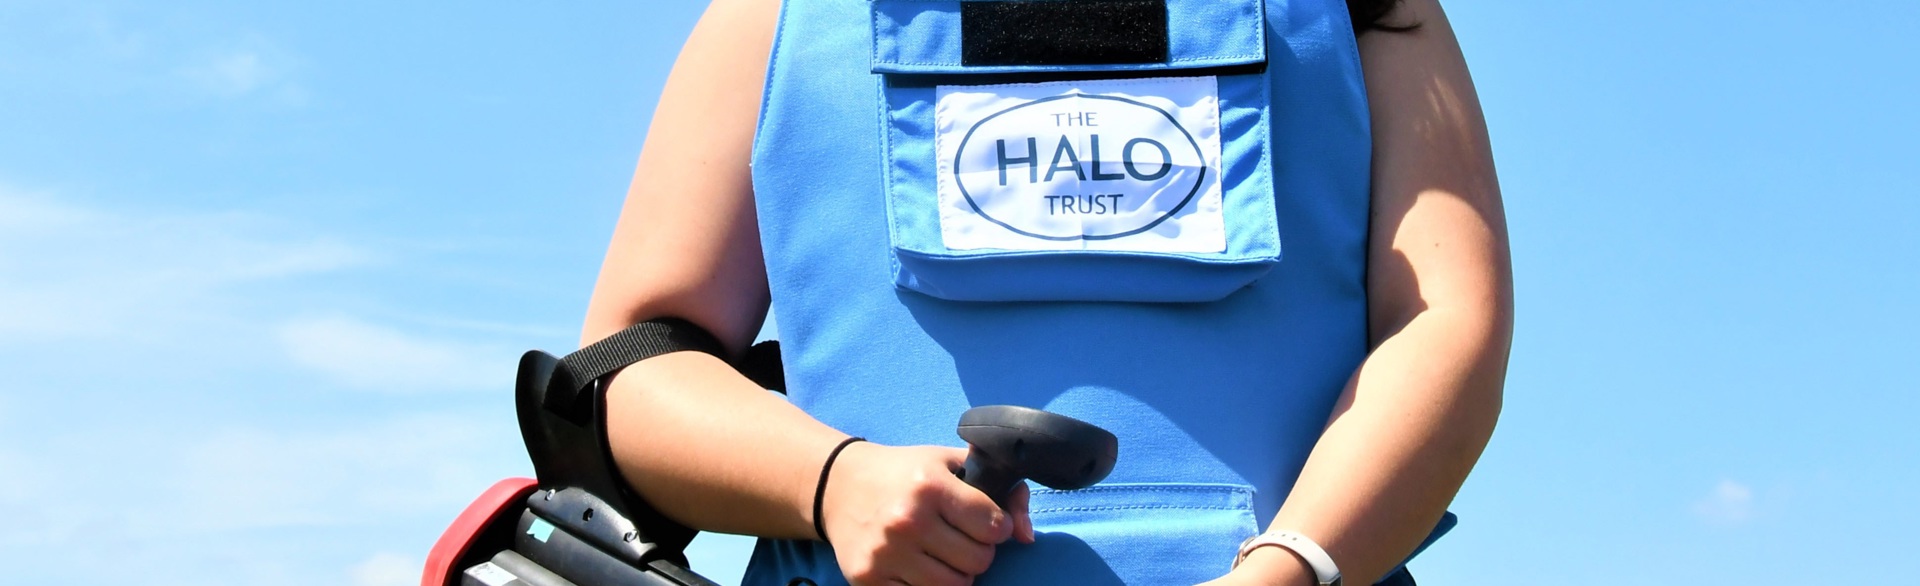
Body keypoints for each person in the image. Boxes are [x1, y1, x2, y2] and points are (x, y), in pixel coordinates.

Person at [581, 0, 1510, 584]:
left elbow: (1446, 327)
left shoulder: (1373, 16)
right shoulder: (773, 16)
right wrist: (832, 483)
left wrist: (1294, 565)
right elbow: (628, 371)